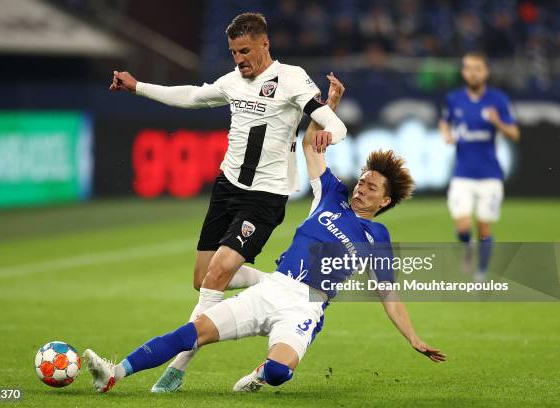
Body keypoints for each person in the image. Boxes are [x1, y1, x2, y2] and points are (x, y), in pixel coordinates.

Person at [83, 74, 444, 394]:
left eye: (371, 188)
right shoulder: (331, 194)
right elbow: (309, 146)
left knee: (276, 372)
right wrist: (329, 106)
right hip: (274, 288)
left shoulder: (376, 237)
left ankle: (260, 373)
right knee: (193, 331)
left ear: (385, 200)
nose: (361, 188)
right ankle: (113, 373)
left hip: (306, 307)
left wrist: (413, 338)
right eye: (362, 181)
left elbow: (388, 293)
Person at [110, 12, 347, 392]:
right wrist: (138, 86)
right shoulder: (233, 81)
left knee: (218, 272)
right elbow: (190, 96)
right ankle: (278, 285)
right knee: (202, 279)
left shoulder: (290, 78)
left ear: (265, 44)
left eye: (245, 50)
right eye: (234, 52)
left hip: (265, 197)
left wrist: (328, 135)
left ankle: (177, 369)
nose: (239, 59)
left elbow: (334, 124)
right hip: (227, 189)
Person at [438, 52, 519, 282]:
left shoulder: (498, 100)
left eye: (478, 68)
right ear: (464, 72)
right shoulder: (454, 99)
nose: (473, 72)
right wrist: (446, 134)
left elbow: (514, 133)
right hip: (462, 175)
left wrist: (498, 122)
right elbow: (444, 120)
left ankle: (481, 273)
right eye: (469, 68)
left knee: (484, 228)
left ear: (485, 72)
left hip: (490, 176)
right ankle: (468, 246)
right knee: (463, 226)